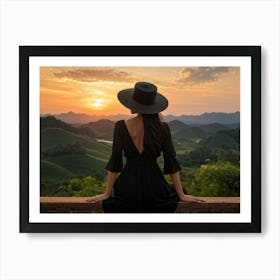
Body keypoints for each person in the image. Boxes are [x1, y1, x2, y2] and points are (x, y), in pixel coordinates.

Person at [87, 82, 204, 212]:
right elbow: (171, 161)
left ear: (136, 105)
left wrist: (107, 194)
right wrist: (181, 195)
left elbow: (115, 161)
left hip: (127, 190)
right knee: (172, 194)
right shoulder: (162, 128)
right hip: (155, 189)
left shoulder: (120, 126)